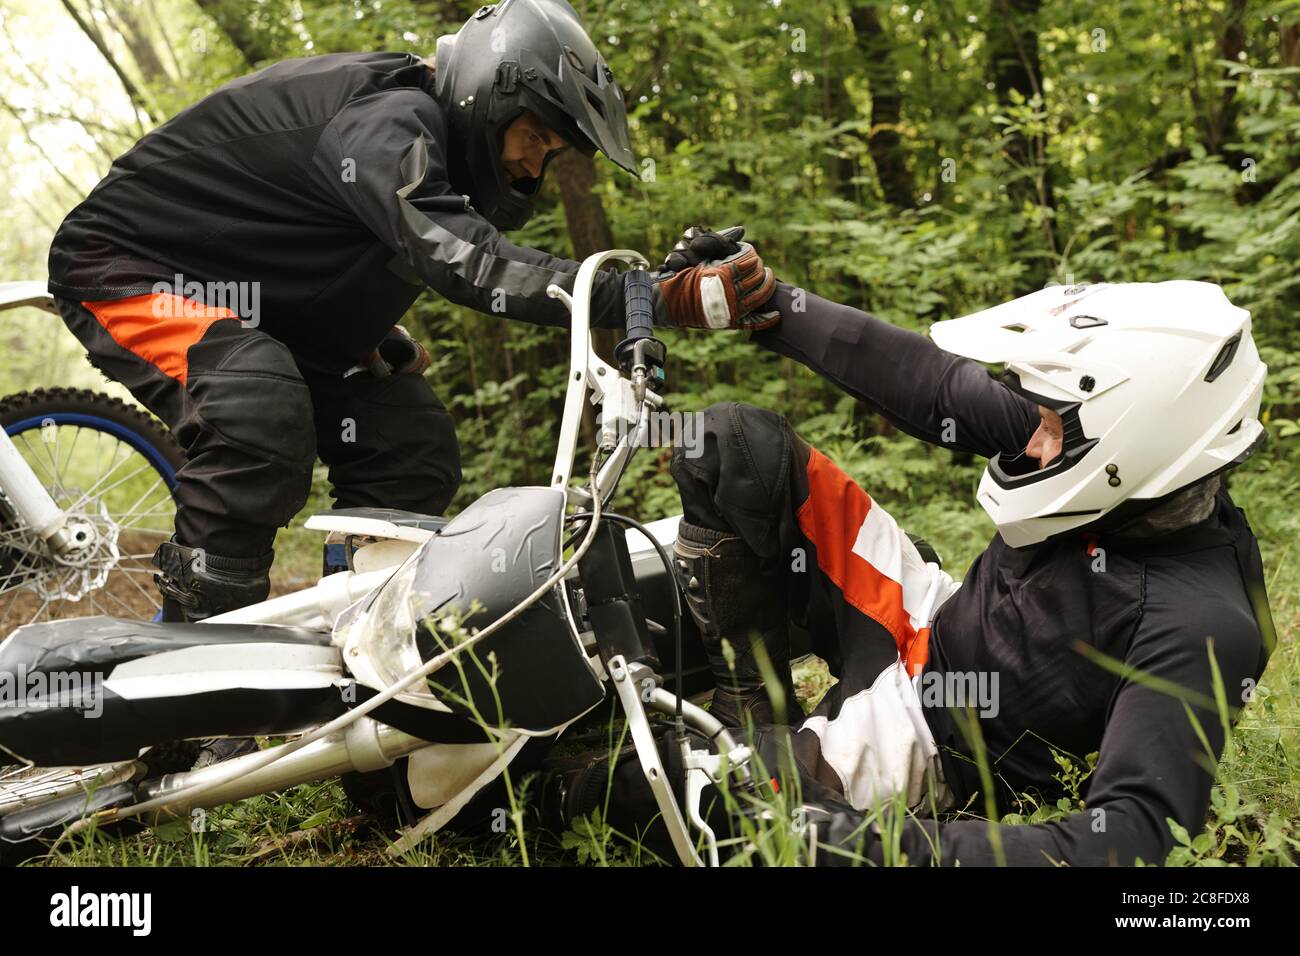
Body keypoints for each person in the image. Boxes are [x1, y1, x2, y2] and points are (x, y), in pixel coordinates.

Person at [44, 0, 772, 624]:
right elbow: (464, 260)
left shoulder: (426, 146)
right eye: (534, 138)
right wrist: (649, 296)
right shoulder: (387, 119)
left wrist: (367, 330)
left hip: (255, 302)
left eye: (548, 152)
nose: (531, 166)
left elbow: (335, 238)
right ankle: (195, 680)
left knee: (410, 441)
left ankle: (350, 639)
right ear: (493, 91)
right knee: (255, 411)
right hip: (125, 264)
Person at [638, 231, 1277, 866]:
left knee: (704, 785)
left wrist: (857, 845)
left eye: (1049, 425)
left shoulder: (1199, 623)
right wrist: (768, 300)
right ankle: (751, 700)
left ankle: (565, 790)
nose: (1031, 437)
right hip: (931, 616)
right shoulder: (1105, 450)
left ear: (1132, 444)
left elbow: (1132, 840)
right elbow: (933, 383)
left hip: (937, 739)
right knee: (730, 443)